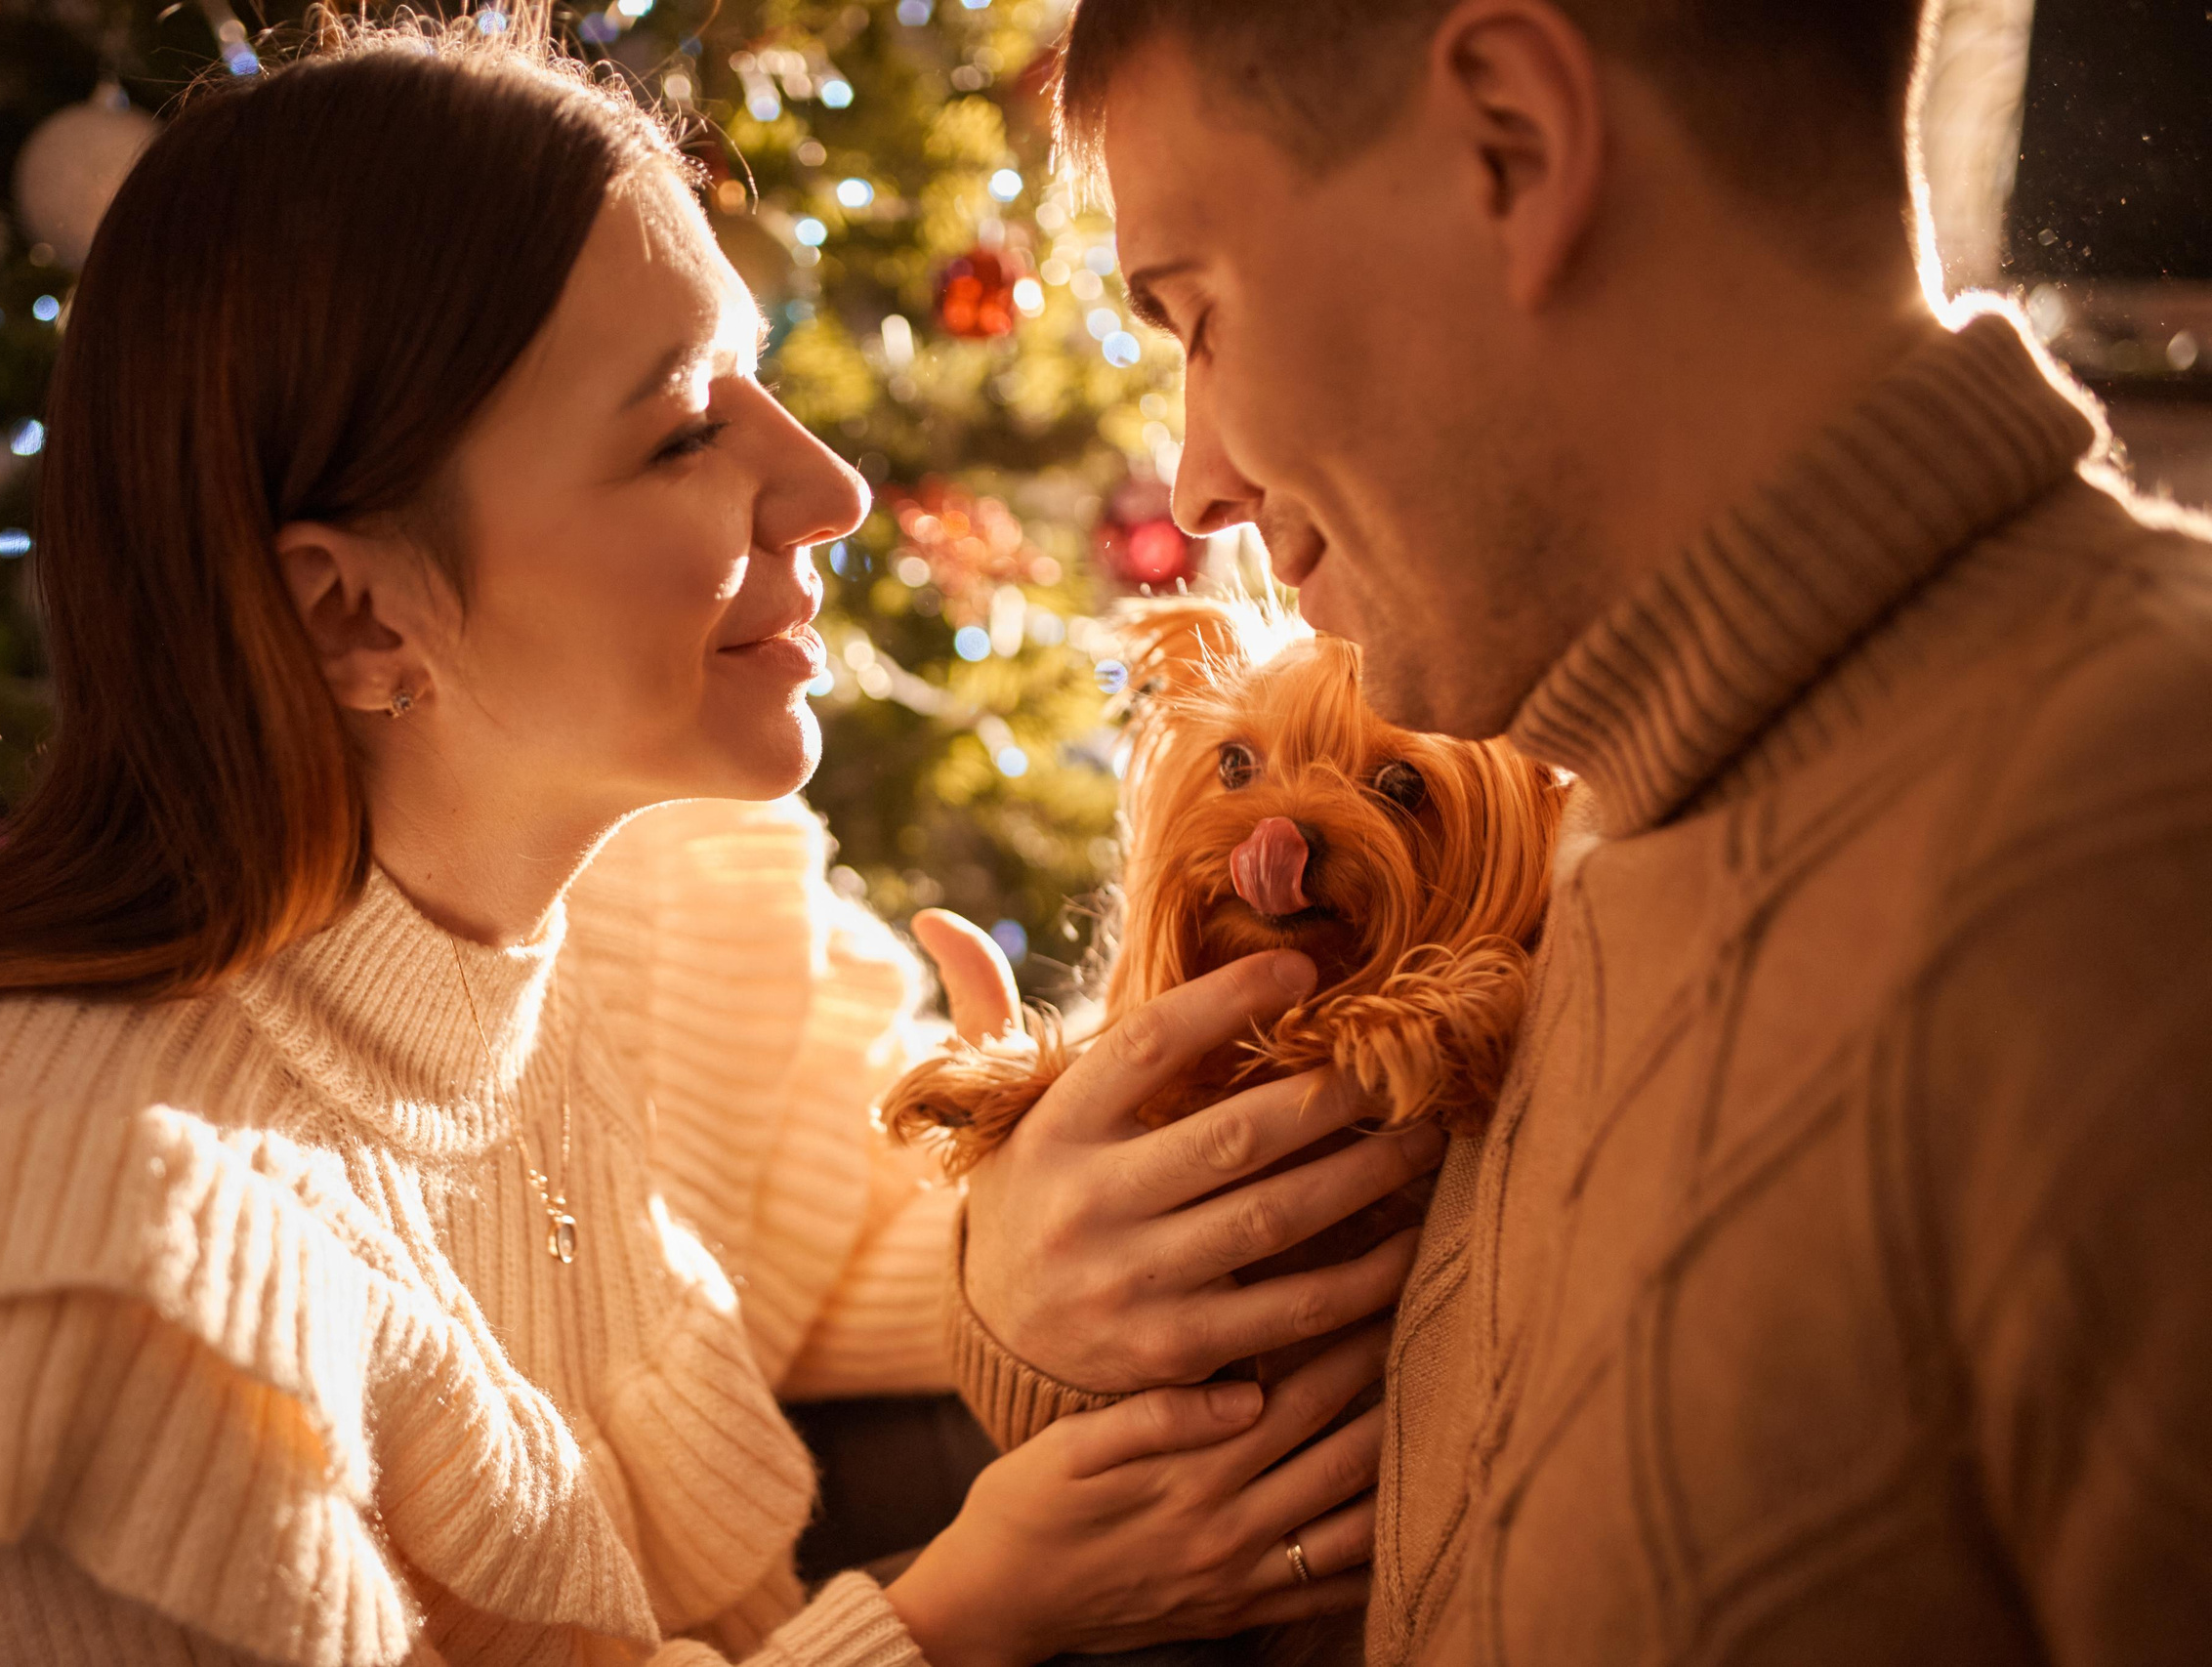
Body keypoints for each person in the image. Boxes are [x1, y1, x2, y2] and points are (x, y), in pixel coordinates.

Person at [0, 16, 1412, 1666]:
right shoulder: (103, 1262)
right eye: (683, 429)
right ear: (351, 615)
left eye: (757, 384)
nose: (826, 488)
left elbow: (923, 1234)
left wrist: (1025, 1240)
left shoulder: (638, 908)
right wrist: (951, 1626)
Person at [939, 1, 2212, 1662]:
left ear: (1513, 148)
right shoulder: (1604, 821)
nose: (1195, 492)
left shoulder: (2134, 868)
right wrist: (1027, 1296)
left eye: (1197, 316)